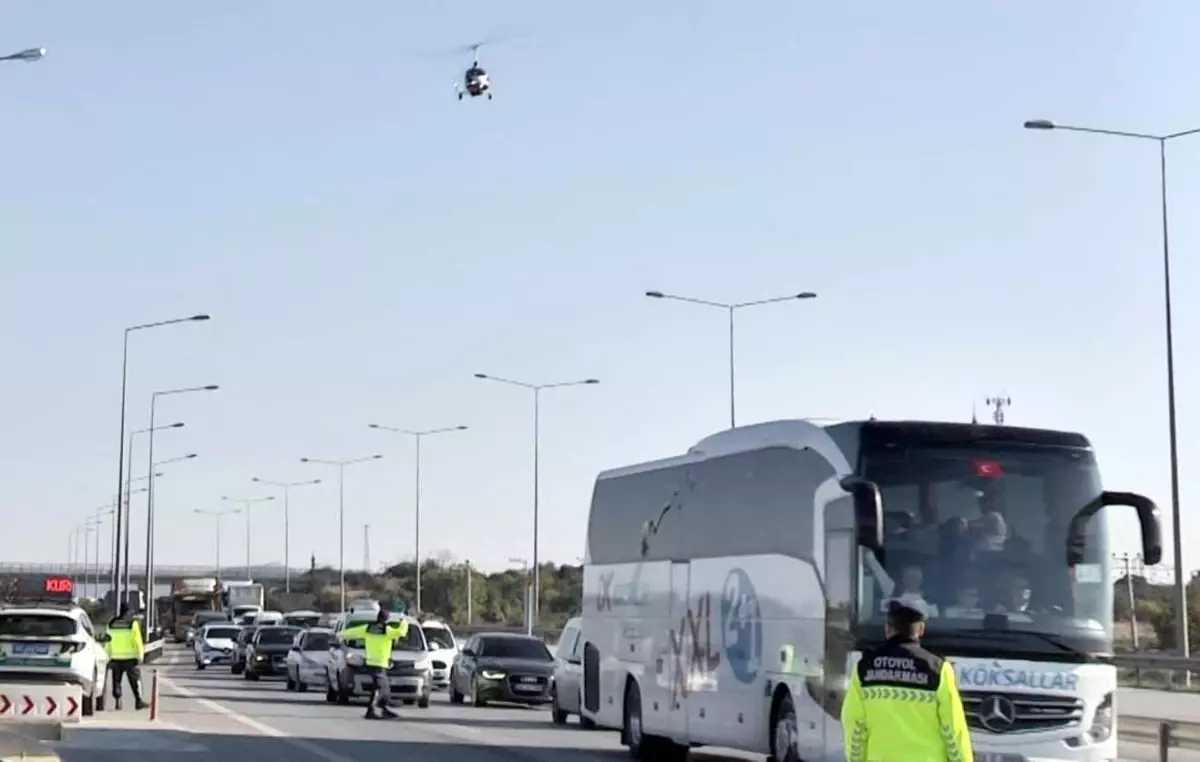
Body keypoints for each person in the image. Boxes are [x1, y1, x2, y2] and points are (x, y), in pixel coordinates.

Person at [840, 599, 972, 762]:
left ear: (888, 629)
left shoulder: (864, 669)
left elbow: (855, 724)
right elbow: (953, 729)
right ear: (921, 630)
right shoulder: (938, 669)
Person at [340, 609, 409, 719]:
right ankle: (371, 710)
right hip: (380, 663)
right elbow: (401, 632)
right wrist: (404, 620)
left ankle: (383, 708)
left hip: (371, 661)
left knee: (382, 687)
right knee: (380, 687)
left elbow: (353, 632)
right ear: (386, 620)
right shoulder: (387, 630)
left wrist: (340, 634)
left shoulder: (368, 628)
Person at [106, 603, 148, 710]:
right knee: (135, 681)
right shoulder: (132, 624)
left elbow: (107, 641)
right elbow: (138, 641)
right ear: (127, 612)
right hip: (130, 659)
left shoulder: (111, 623)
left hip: (115, 658)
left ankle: (118, 701)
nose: (132, 614)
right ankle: (138, 701)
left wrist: (108, 655)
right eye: (131, 612)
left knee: (116, 681)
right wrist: (140, 655)